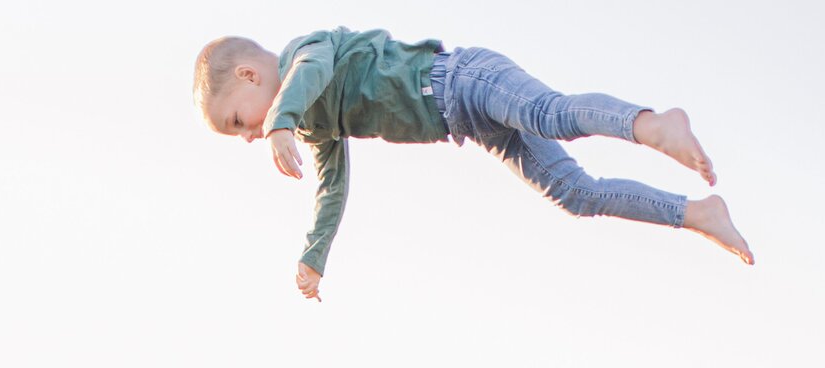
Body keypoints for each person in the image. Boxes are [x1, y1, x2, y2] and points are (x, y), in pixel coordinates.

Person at [194, 29, 753, 299]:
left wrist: (279, 119)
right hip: (469, 124)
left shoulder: (304, 56)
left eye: (240, 122)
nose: (251, 136)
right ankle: (697, 213)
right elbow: (332, 186)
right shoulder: (315, 122)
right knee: (574, 194)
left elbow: (310, 74)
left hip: (463, 79)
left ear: (249, 76)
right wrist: (314, 255)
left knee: (548, 113)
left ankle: (654, 123)